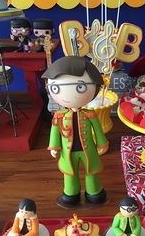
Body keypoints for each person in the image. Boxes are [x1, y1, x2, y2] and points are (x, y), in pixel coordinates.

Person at [42, 56, 109, 205]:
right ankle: (71, 193)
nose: (66, 95)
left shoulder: (90, 115)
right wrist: (54, 147)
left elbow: (97, 130)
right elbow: (54, 132)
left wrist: (102, 143)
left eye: (80, 87)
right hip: (67, 151)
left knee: (91, 172)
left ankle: (94, 192)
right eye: (55, 88)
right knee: (69, 174)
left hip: (89, 150)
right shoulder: (59, 117)